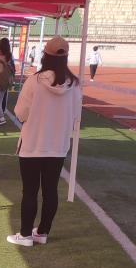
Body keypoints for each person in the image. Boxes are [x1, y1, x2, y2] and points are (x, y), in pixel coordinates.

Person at [7, 36, 82, 247]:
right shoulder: (75, 85)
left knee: (30, 191)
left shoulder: (34, 81)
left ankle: (25, 235)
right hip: (58, 146)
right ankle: (42, 232)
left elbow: (21, 113)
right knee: (50, 190)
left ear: (45, 55)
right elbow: (76, 116)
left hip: (32, 144)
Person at [0, 37, 16, 113]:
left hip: (0, 77)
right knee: (4, 95)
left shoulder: (0, 55)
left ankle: (0, 113)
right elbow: (13, 68)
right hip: (7, 78)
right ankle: (2, 110)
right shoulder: (10, 55)